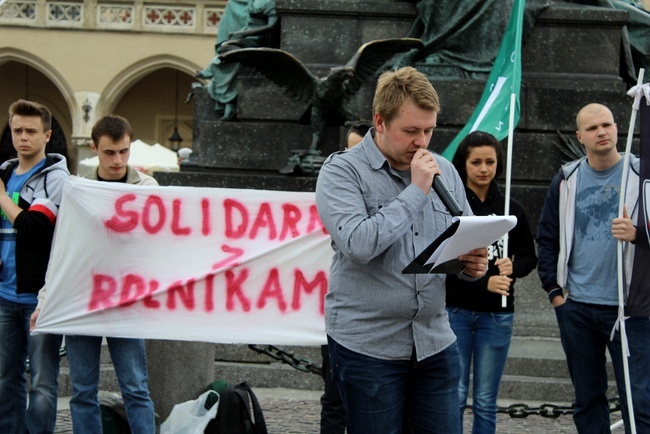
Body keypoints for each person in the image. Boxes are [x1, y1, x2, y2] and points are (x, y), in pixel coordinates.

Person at [315, 66, 489, 434]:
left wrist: (474, 265)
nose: (422, 142)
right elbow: (359, 245)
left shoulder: (443, 168)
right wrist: (415, 190)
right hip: (368, 346)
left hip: (434, 340)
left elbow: (464, 235)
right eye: (411, 131)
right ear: (379, 122)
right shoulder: (341, 171)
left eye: (428, 130)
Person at [32, 115, 157, 433]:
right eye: (109, 153)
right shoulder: (77, 189)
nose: (118, 160)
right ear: (94, 149)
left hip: (126, 300)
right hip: (82, 298)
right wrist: (45, 300)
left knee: (136, 389)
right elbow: (63, 250)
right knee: (83, 391)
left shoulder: (148, 188)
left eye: (124, 152)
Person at [537, 103, 650, 433]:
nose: (601, 132)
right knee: (587, 399)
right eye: (592, 128)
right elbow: (547, 237)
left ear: (617, 127)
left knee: (640, 401)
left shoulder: (642, 175)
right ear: (580, 136)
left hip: (630, 310)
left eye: (606, 124)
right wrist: (554, 292)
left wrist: (638, 234)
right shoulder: (566, 179)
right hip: (578, 307)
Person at [446, 131, 537, 434]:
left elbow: (528, 257)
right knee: (454, 396)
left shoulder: (514, 209)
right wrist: (481, 283)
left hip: (497, 316)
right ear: (464, 164)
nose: (484, 169)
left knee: (486, 400)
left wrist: (515, 266)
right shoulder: (453, 209)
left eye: (490, 162)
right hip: (455, 312)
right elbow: (442, 267)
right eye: (476, 162)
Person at [0, 99, 69, 434]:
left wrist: (1, 198)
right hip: (3, 292)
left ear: (47, 135)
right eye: (17, 130)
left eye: (30, 131)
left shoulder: (56, 180)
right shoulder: (3, 174)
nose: (22, 137)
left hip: (40, 295)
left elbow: (36, 231)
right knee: (4, 376)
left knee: (41, 381)